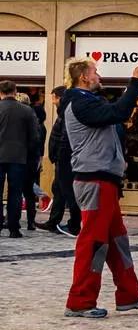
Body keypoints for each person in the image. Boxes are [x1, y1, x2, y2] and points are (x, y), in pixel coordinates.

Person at [63, 58, 138, 318]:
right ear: (83, 77)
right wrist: (135, 82)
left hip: (103, 178)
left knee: (117, 241)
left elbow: (117, 112)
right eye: (95, 72)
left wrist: (135, 88)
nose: (99, 76)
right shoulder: (80, 102)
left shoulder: (88, 101)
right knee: (93, 241)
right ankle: (80, 301)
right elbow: (117, 113)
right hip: (94, 179)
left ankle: (129, 294)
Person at [0, 81, 40, 237]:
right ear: (15, 91)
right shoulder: (27, 110)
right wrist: (30, 154)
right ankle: (14, 228)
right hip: (19, 156)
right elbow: (34, 137)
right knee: (15, 193)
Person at [40, 86, 80, 236]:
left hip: (65, 159)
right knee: (58, 190)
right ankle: (53, 221)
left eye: (54, 98)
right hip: (61, 158)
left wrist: (58, 156)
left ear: (59, 98)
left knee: (68, 192)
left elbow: (63, 138)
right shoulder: (63, 113)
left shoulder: (66, 112)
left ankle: (74, 224)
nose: (52, 101)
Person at [17, 92, 45, 231]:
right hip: (32, 159)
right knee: (28, 192)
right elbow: (39, 143)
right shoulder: (36, 120)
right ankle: (30, 222)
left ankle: (13, 219)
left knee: (17, 191)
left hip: (21, 159)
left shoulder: (21, 120)